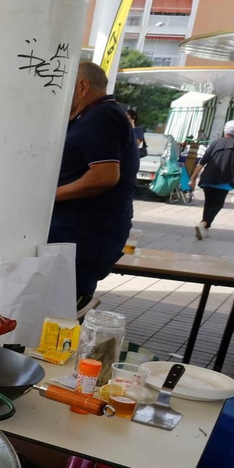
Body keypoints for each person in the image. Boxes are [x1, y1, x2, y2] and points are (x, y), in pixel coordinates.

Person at [48, 60, 139, 304]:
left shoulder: (102, 116)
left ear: (82, 86)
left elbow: (105, 176)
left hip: (82, 240)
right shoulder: (90, 116)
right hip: (78, 238)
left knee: (59, 315)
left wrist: (47, 196)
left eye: (62, 84)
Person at [189, 120, 234, 239]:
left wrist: (193, 177)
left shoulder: (215, 142)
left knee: (209, 203)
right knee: (218, 204)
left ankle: (204, 229)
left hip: (208, 177)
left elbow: (203, 161)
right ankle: (203, 224)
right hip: (225, 177)